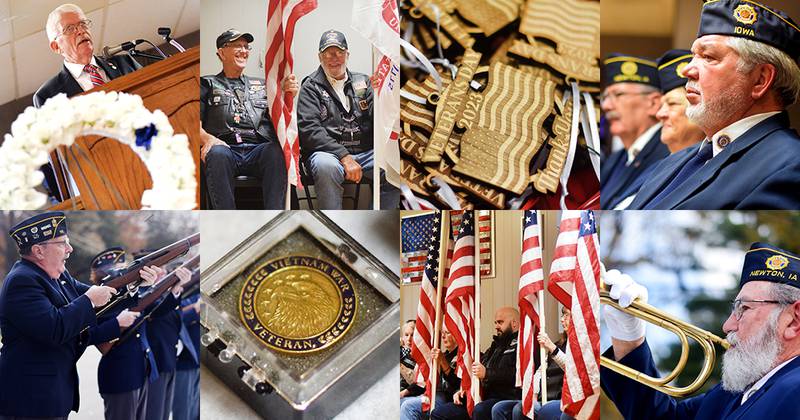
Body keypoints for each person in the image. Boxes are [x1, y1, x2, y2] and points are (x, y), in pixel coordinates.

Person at [629, 0, 800, 209]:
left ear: (760, 80)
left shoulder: (790, 165)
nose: (687, 70)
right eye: (694, 56)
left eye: (708, 57)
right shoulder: (673, 161)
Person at [601, 242, 800, 419]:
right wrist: (629, 338)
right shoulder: (733, 394)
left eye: (744, 308)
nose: (727, 326)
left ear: (794, 320)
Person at [0, 212, 136, 418]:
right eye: (62, 243)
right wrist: (89, 300)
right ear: (38, 251)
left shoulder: (58, 275)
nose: (70, 249)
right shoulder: (22, 281)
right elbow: (53, 329)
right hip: (30, 399)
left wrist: (137, 284)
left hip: (51, 394)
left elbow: (99, 297)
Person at [297, 29, 400, 209]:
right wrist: (344, 156)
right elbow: (309, 130)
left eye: (339, 52)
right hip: (328, 154)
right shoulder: (310, 86)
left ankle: (374, 223)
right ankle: (332, 224)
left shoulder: (364, 82)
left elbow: (380, 121)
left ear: (347, 54)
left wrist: (381, 95)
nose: (334, 57)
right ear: (319, 57)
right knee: (324, 166)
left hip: (365, 152)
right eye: (328, 53)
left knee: (393, 164)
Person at [201, 29, 294, 209]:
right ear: (221, 52)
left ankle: (274, 219)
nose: (244, 51)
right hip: (227, 148)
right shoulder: (207, 83)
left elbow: (281, 118)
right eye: (237, 46)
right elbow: (194, 126)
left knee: (276, 152)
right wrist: (208, 139)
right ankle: (226, 222)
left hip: (258, 148)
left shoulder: (262, 84)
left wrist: (288, 95)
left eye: (246, 46)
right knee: (217, 153)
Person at [611, 49, 704, 209]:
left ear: (701, 107)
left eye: (673, 103)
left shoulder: (709, 169)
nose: (660, 114)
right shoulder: (657, 168)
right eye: (662, 105)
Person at [90, 247, 164, 420]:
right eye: (118, 271)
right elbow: (92, 336)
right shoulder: (98, 301)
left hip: (139, 371)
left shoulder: (129, 294)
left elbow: (152, 311)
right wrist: (117, 323)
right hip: (121, 375)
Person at [34, 3, 141, 107]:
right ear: (56, 47)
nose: (81, 31)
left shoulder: (126, 63)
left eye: (83, 24)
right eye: (70, 29)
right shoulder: (47, 96)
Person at [599, 54, 668, 209]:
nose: (607, 106)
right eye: (605, 97)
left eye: (618, 95)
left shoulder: (669, 155)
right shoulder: (615, 160)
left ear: (653, 103)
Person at [431, 307, 521, 420]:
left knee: (480, 409)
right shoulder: (494, 346)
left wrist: (487, 373)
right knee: (439, 413)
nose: (496, 326)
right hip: (482, 395)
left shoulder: (522, 345)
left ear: (514, 323)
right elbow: (475, 374)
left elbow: (516, 374)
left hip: (506, 396)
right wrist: (464, 389)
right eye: (495, 322)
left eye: (500, 322)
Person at [492, 308, 570, 420]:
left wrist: (553, 348)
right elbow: (540, 371)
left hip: (560, 397)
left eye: (566, 315)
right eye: (562, 315)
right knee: (500, 408)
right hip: (542, 396)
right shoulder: (559, 343)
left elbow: (573, 370)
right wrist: (533, 394)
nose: (562, 319)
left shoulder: (577, 346)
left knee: (521, 409)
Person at [143, 256, 194, 420]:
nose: (164, 272)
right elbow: (155, 312)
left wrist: (176, 289)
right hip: (154, 365)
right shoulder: (145, 296)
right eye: (159, 268)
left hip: (169, 362)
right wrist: (175, 290)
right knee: (153, 414)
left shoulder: (160, 295)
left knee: (163, 414)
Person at [401, 328, 461, 420]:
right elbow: (424, 381)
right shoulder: (442, 355)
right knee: (400, 402)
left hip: (446, 397)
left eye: (447, 333)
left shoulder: (462, 357)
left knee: (408, 406)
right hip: (429, 392)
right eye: (442, 333)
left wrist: (443, 363)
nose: (443, 336)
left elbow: (458, 384)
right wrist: (405, 392)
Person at [401, 319, 417, 396]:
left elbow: (415, 381)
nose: (409, 339)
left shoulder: (420, 357)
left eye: (412, 335)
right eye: (406, 335)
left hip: (405, 392)